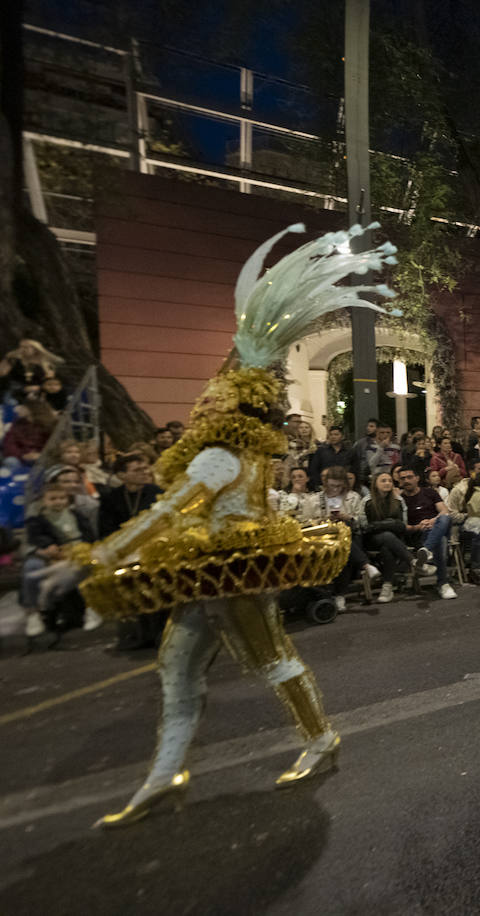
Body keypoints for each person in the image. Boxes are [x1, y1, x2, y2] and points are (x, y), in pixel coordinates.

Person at [41, 222, 398, 828]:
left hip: (234, 571)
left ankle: (319, 739)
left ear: (233, 403)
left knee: (270, 661)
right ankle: (166, 772)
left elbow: (165, 512)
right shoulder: (237, 449)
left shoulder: (220, 454)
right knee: (176, 669)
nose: (203, 401)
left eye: (215, 394)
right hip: (206, 569)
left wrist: (94, 558)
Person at [22, 483, 98, 643]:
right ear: (43, 501)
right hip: (49, 553)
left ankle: (92, 608)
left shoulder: (76, 515)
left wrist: (81, 549)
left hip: (77, 552)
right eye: (53, 499)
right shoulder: (37, 520)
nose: (58, 502)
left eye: (62, 498)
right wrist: (48, 548)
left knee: (87, 567)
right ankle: (33, 612)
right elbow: (35, 539)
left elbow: (88, 535)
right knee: (32, 569)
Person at [302, 465, 378, 611]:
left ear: (344, 484)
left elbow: (362, 521)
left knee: (344, 544)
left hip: (350, 535)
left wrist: (348, 517)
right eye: (331, 485)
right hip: (323, 539)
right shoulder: (314, 499)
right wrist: (322, 520)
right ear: (325, 484)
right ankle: (365, 566)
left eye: (338, 485)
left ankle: (340, 595)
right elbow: (305, 523)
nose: (335, 489)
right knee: (343, 547)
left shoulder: (353, 497)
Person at [394, 466, 458, 599]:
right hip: (417, 534)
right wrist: (418, 526)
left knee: (445, 518)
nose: (406, 481)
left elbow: (444, 511)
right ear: (399, 481)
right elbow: (400, 525)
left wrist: (432, 521)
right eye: (403, 478)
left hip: (436, 527)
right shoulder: (399, 500)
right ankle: (443, 584)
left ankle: (427, 550)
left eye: (409, 477)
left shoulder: (429, 492)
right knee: (440, 540)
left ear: (417, 478)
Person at [363, 471, 413, 604]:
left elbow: (403, 526)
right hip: (371, 540)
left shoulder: (398, 500)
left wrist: (380, 525)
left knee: (387, 545)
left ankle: (387, 587)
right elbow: (365, 527)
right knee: (386, 535)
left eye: (390, 481)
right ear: (375, 484)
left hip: (394, 540)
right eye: (383, 480)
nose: (387, 483)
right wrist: (390, 523)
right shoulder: (367, 501)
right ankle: (413, 561)